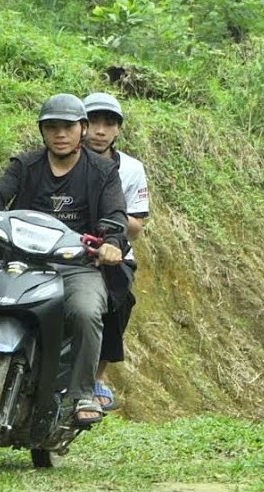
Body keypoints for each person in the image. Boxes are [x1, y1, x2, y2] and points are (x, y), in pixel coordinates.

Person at [0, 93, 129, 427]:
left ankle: (82, 392)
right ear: (42, 131)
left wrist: (112, 242)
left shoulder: (102, 172)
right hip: (20, 261)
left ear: (81, 129)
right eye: (51, 127)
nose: (60, 134)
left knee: (86, 310)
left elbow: (115, 215)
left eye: (68, 127)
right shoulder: (25, 166)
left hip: (76, 265)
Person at [82, 92, 149, 412]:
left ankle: (97, 376)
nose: (100, 131)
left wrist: (112, 226)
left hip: (113, 249)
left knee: (119, 298)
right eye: (93, 122)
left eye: (108, 124)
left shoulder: (132, 169)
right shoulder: (62, 157)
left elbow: (137, 223)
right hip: (62, 245)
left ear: (118, 130)